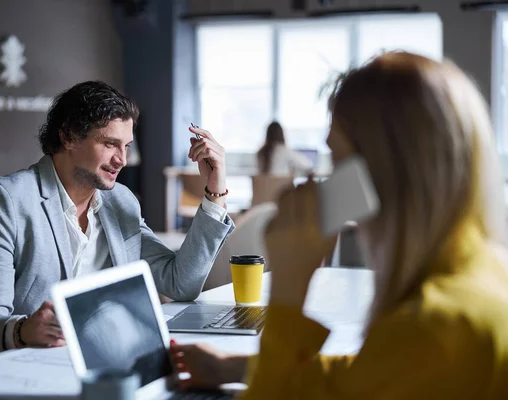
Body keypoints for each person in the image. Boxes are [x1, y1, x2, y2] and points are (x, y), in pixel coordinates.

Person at [171, 52, 508, 398]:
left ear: (382, 173)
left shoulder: (435, 325)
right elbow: (367, 375)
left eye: (339, 160)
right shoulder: (485, 274)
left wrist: (289, 286)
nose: (332, 183)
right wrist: (230, 366)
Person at [0, 81, 234, 370]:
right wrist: (23, 330)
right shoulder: (4, 201)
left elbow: (181, 283)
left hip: (75, 367)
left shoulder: (120, 202)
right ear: (68, 137)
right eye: (109, 144)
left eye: (126, 145)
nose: (123, 160)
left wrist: (214, 191)